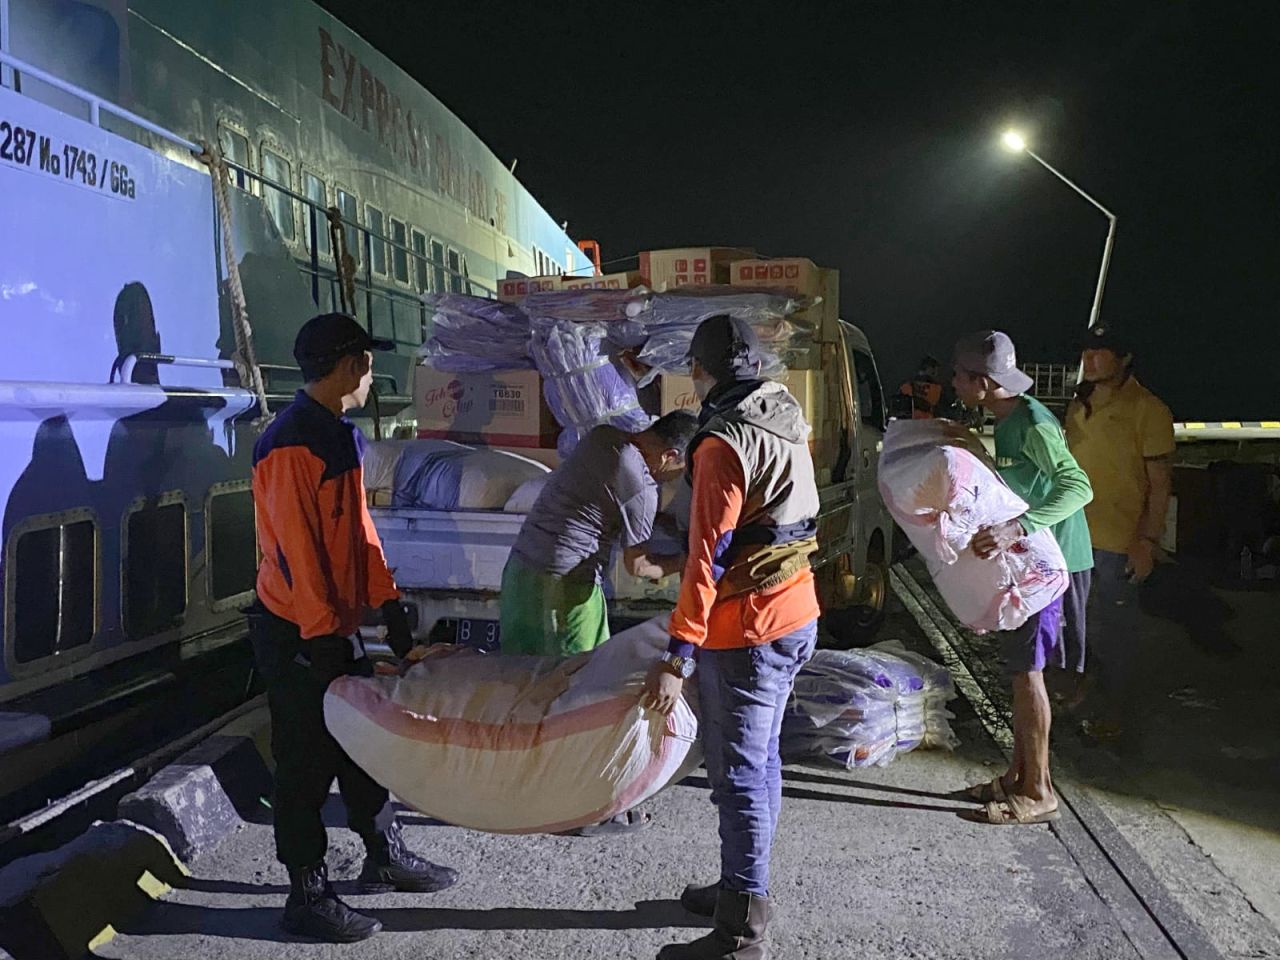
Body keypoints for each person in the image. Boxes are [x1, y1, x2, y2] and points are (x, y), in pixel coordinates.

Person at [248, 312, 458, 943]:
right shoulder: (290, 443)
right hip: (297, 631)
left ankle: (384, 854)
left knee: (364, 744)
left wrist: (391, 614)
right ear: (350, 367)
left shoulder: (338, 435)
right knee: (305, 766)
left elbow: (358, 536)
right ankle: (305, 894)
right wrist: (320, 640)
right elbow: (298, 552)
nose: (372, 373)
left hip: (328, 627)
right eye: (368, 362)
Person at [642, 314, 821, 960]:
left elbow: (706, 558)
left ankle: (741, 930)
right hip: (797, 610)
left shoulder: (721, 444)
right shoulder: (781, 408)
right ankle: (741, 888)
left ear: (698, 371)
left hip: (748, 628)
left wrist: (677, 654)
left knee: (739, 774)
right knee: (763, 759)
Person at [951, 330, 1093, 825]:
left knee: (1029, 674)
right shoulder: (1005, 419)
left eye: (959, 376)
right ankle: (1017, 775)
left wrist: (1019, 527)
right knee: (1018, 672)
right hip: (1030, 562)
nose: (953, 383)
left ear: (984, 382)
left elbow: (1079, 485)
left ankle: (1039, 790)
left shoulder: (1032, 422)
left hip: (1053, 567)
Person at [499, 411, 698, 657]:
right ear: (670, 456)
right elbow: (638, 566)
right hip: (566, 589)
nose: (675, 477)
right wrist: (682, 563)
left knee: (517, 676)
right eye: (681, 469)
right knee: (577, 679)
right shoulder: (643, 490)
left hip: (520, 573)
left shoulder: (602, 436)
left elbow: (602, 498)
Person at [1064, 324, 1175, 738]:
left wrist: (1147, 541)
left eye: (1100, 352)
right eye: (1086, 352)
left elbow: (1161, 483)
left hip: (1118, 544)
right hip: (1073, 538)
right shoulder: (1079, 405)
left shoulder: (1149, 410)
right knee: (1076, 627)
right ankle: (1080, 696)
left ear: (1124, 357)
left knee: (1115, 634)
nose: (1089, 360)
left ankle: (1114, 715)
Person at [899, 355, 945, 419]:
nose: (936, 372)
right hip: (929, 423)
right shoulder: (937, 388)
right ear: (930, 368)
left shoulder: (906, 385)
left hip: (909, 423)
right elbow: (942, 410)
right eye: (934, 368)